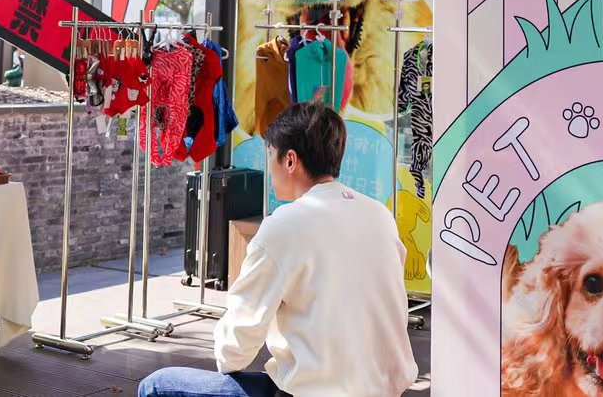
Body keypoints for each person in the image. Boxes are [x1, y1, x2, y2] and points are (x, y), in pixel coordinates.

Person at [138, 103, 417, 397]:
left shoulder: (284, 225)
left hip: (315, 392)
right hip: (389, 391)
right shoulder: (379, 214)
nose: (268, 167)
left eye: (270, 155)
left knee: (156, 385)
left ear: (290, 160)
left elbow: (233, 352)